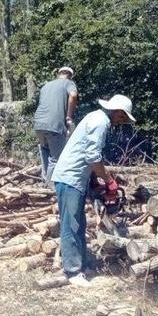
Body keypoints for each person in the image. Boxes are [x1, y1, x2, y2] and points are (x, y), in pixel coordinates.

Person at [51, 94, 135, 287]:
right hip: (70, 177)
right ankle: (72, 271)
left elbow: (87, 154)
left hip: (77, 177)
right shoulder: (100, 122)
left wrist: (95, 181)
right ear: (116, 111)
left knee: (78, 223)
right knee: (71, 224)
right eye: (122, 117)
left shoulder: (96, 117)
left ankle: (80, 265)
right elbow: (92, 156)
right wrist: (108, 181)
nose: (121, 122)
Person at [33, 66, 79, 185]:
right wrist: (69, 116)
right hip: (54, 125)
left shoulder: (46, 85)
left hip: (38, 123)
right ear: (70, 76)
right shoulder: (69, 83)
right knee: (56, 158)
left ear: (58, 74)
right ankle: (49, 188)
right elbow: (73, 95)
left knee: (45, 151)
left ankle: (45, 182)